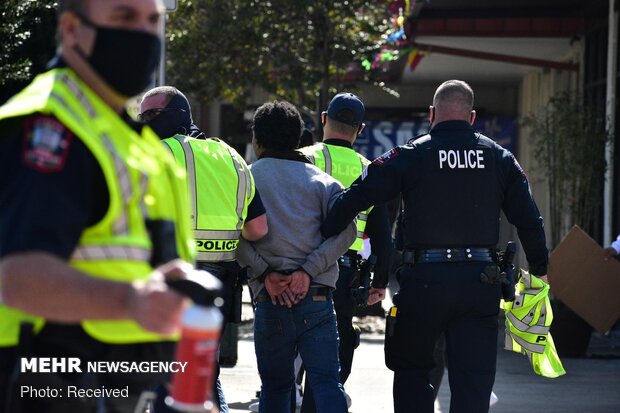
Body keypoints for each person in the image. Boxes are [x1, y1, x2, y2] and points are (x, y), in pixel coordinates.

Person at [0, 1, 200, 412]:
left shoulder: (128, 136)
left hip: (126, 386)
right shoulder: (51, 125)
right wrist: (130, 301)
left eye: (153, 21)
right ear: (72, 28)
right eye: (124, 18)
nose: (144, 35)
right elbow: (18, 278)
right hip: (49, 383)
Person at [321, 80, 549, 413]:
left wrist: (326, 228)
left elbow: (359, 194)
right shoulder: (499, 157)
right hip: (480, 283)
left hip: (423, 284)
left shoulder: (413, 153)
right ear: (471, 118)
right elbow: (530, 221)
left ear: (431, 114)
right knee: (473, 383)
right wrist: (540, 271)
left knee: (413, 373)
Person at [139, 85, 268, 413]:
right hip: (221, 283)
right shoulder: (232, 157)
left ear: (177, 115)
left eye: (151, 115)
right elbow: (258, 229)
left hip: (175, 279)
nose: (143, 123)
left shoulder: (158, 153)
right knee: (201, 370)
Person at [236, 100, 356, 413]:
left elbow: (232, 236)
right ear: (298, 138)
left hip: (270, 300)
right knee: (327, 383)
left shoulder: (244, 180)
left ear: (257, 140)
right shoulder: (324, 183)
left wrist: (265, 274)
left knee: (275, 388)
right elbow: (348, 232)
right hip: (315, 299)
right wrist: (307, 271)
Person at [299, 92, 393, 412]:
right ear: (361, 129)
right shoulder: (371, 170)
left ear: (324, 118)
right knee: (334, 348)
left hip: (300, 266)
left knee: (290, 342)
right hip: (346, 274)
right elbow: (382, 235)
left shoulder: (302, 158)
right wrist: (380, 282)